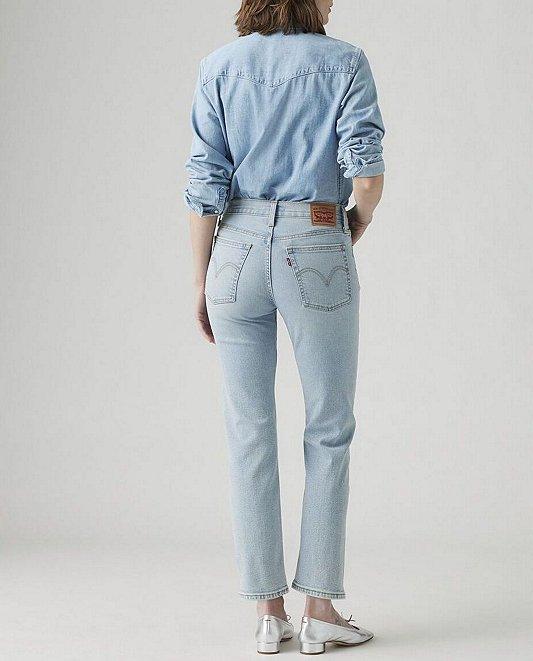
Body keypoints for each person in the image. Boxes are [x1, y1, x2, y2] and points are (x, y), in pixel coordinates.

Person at [184, 0, 385, 654]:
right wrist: (353, 223)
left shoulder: (219, 66)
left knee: (249, 431)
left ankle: (268, 613)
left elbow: (204, 183)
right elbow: (367, 174)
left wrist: (200, 279)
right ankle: (320, 608)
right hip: (317, 237)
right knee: (328, 426)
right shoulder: (344, 61)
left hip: (233, 251)